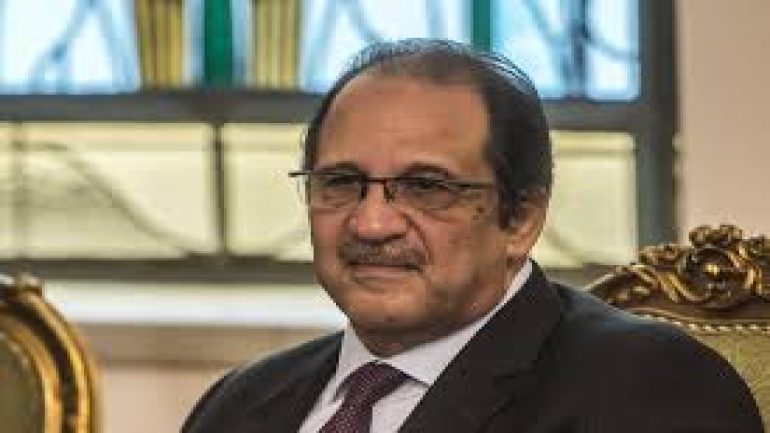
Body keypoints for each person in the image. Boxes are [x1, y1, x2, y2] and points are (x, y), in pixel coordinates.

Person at [182, 39, 762, 433]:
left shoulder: (647, 392)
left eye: (426, 187)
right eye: (341, 182)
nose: (371, 224)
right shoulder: (240, 403)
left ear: (521, 220)